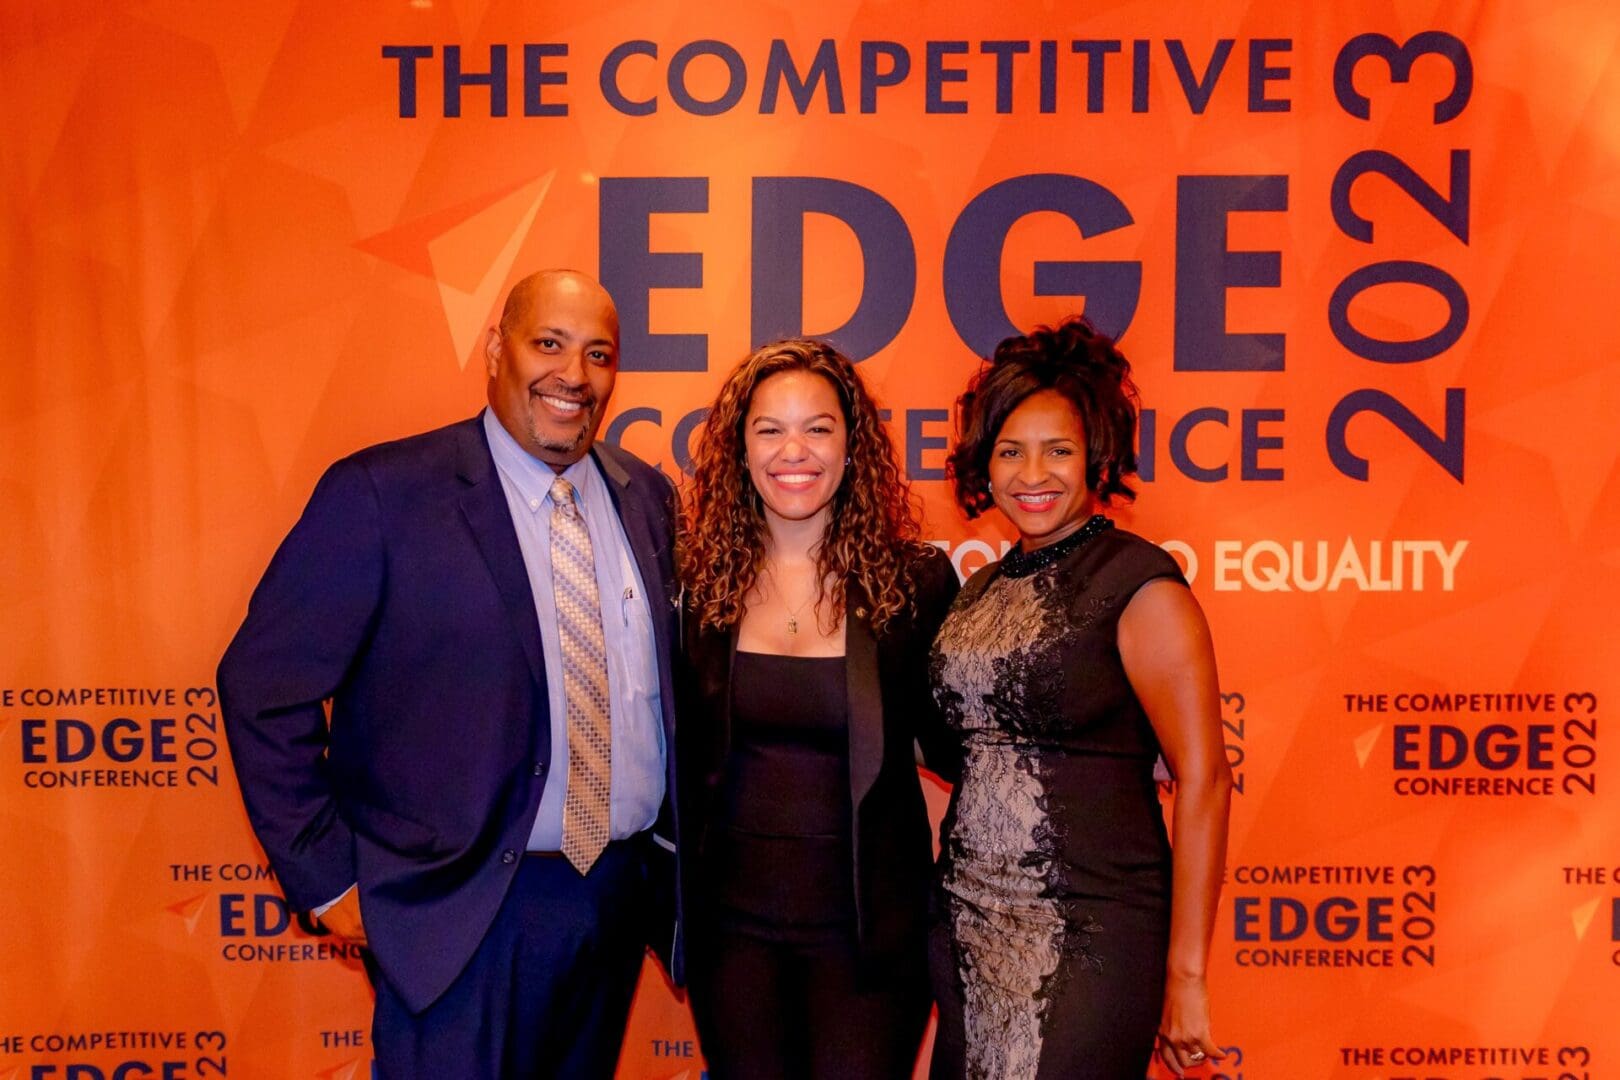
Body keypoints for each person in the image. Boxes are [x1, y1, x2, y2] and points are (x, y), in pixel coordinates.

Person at [217, 270, 680, 1079]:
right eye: (549, 343)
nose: (573, 374)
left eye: (598, 354)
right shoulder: (384, 494)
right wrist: (328, 881)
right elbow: (262, 685)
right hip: (455, 911)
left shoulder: (645, 495)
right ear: (495, 348)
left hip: (610, 901)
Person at [927, 317, 1232, 1080]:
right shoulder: (982, 592)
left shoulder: (1138, 584)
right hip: (967, 924)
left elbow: (1203, 780)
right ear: (983, 465)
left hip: (1091, 930)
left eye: (1057, 450)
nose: (1034, 473)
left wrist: (1186, 979)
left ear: (1095, 456)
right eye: (1011, 450)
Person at [676, 338, 959, 1079]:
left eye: (818, 428)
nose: (792, 451)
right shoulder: (696, 587)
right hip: (732, 940)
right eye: (769, 429)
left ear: (851, 444)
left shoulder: (915, 586)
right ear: (739, 447)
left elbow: (965, 742)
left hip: (871, 941)